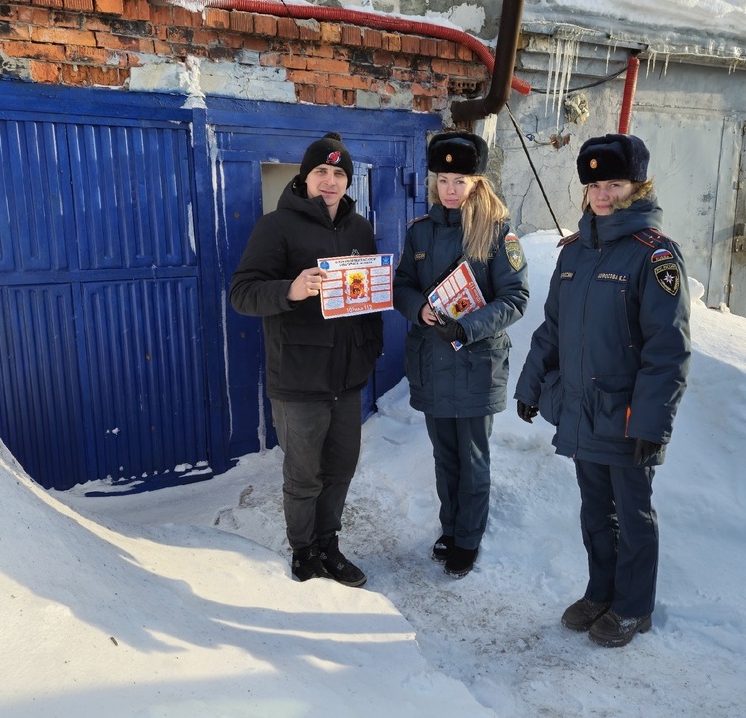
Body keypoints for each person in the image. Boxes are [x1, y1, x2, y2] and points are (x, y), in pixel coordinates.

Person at [514, 133, 690, 647]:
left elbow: (667, 350)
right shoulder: (575, 254)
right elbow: (552, 328)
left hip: (627, 414)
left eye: (614, 183)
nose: (603, 194)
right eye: (594, 184)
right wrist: (531, 385)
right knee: (595, 510)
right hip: (581, 410)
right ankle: (601, 593)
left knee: (632, 516)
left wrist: (652, 424)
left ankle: (635, 608)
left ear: (638, 186)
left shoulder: (654, 256)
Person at [229, 132, 383, 588]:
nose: (330, 181)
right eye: (321, 172)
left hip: (347, 376)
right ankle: (303, 550)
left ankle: (328, 544)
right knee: (304, 475)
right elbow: (241, 293)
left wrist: (370, 350)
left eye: (339, 174)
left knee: (340, 468)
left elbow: (368, 299)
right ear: (306, 176)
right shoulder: (276, 226)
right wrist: (291, 290)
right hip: (298, 376)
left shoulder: (359, 228)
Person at [393, 131, 529, 579]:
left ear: (477, 183)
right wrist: (419, 310)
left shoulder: (496, 234)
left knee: (471, 459)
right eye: (443, 179)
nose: (450, 189)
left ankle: (468, 540)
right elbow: (401, 286)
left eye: (460, 180)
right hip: (432, 363)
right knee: (443, 456)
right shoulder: (421, 231)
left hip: (475, 365)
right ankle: (450, 529)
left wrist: (466, 326)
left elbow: (515, 299)